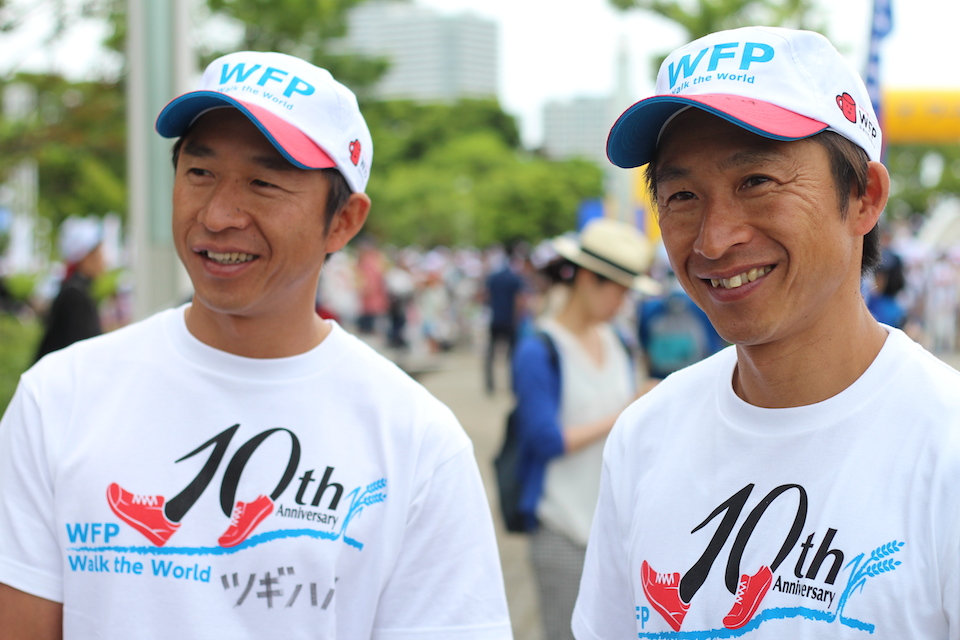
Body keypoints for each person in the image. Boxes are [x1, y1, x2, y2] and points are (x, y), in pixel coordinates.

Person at [0, 51, 512, 640]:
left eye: (263, 183)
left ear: (343, 221)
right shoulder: (59, 398)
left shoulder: (416, 439)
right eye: (200, 172)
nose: (218, 216)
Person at [573, 26, 960, 639]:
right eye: (681, 195)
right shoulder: (645, 437)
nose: (714, 240)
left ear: (864, 197)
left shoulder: (944, 449)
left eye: (756, 182)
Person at [511, 218, 656, 640]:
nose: (623, 302)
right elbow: (545, 440)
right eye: (620, 290)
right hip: (562, 528)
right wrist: (625, 413)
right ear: (590, 279)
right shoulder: (539, 349)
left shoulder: (618, 341)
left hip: (615, 528)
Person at [34, 216, 107, 361]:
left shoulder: (74, 290)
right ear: (86, 258)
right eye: (100, 254)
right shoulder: (75, 295)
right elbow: (81, 349)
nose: (105, 261)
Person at [484, 247, 524, 394]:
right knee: (512, 355)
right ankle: (513, 384)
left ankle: (490, 385)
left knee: (491, 355)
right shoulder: (514, 278)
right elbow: (519, 301)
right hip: (509, 321)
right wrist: (517, 318)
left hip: (495, 319)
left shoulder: (493, 277)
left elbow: (486, 296)